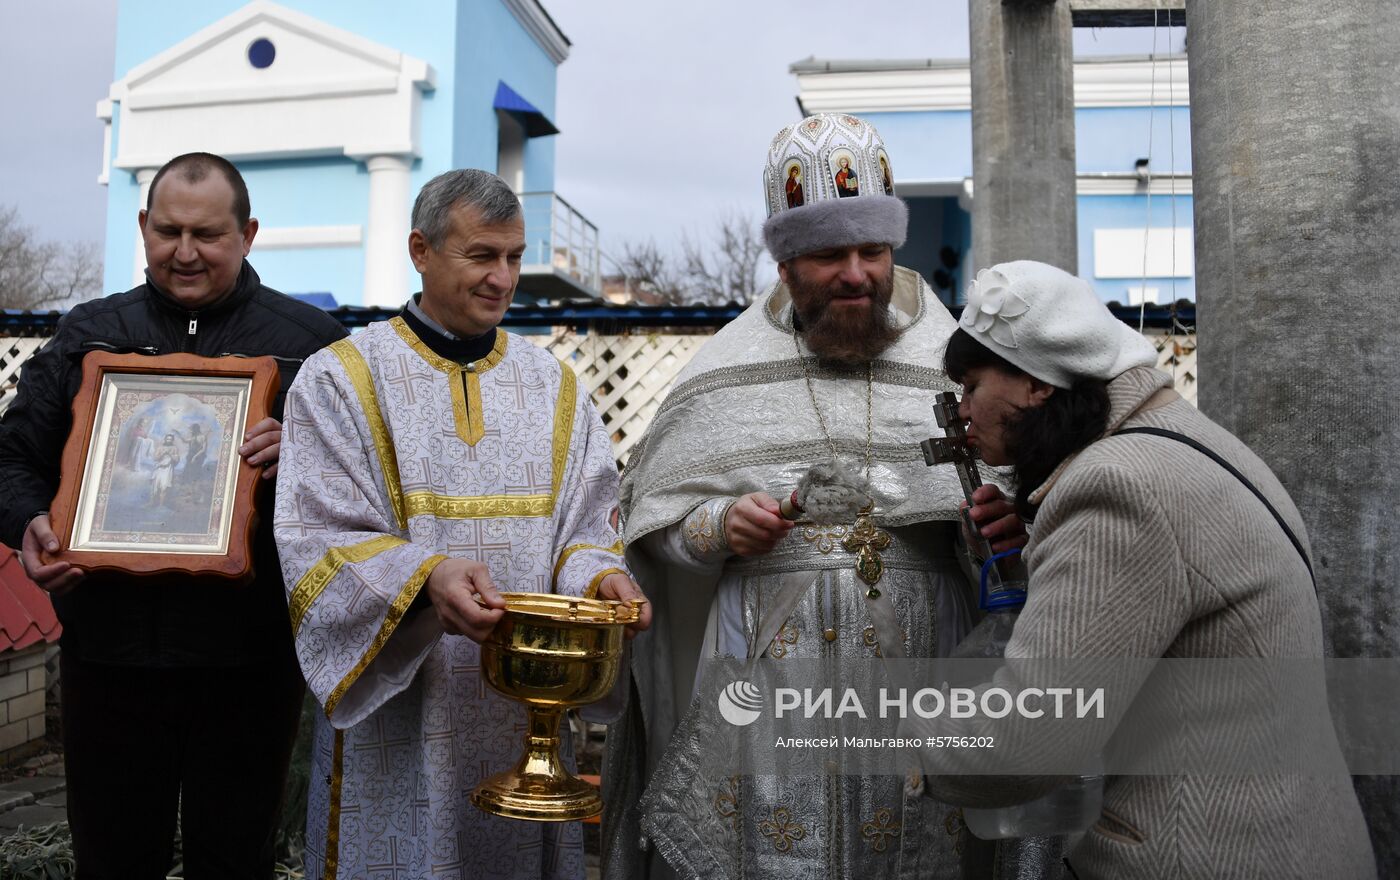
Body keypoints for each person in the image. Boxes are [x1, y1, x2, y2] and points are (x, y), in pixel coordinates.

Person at [603, 114, 1016, 879]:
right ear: (787, 263)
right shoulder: (723, 373)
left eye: (874, 251)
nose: (857, 274)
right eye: (830, 254)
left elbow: (1004, 510)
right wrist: (717, 526)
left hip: (920, 667)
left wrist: (991, 530)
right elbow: (651, 527)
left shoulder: (947, 360)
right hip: (767, 677)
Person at [912, 260, 1377, 877]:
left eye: (971, 385)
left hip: (1207, 855)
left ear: (1035, 386)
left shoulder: (1116, 488)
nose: (962, 409)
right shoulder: (1182, 438)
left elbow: (1030, 739)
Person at [274, 168, 651, 879]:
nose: (503, 278)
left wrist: (601, 577)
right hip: (405, 712)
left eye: (513, 256)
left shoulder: (554, 387)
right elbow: (318, 538)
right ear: (421, 250)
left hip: (523, 717)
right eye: (482, 255)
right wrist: (424, 578)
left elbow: (586, 524)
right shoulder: (340, 379)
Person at [0, 152, 348, 877]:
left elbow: (373, 488)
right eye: (167, 232)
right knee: (114, 858)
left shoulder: (310, 345)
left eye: (208, 234)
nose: (184, 252)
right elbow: (11, 459)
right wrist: (30, 523)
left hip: (249, 665)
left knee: (236, 858)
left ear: (247, 233)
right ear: (143, 228)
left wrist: (311, 456)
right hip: (110, 659)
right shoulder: (89, 336)